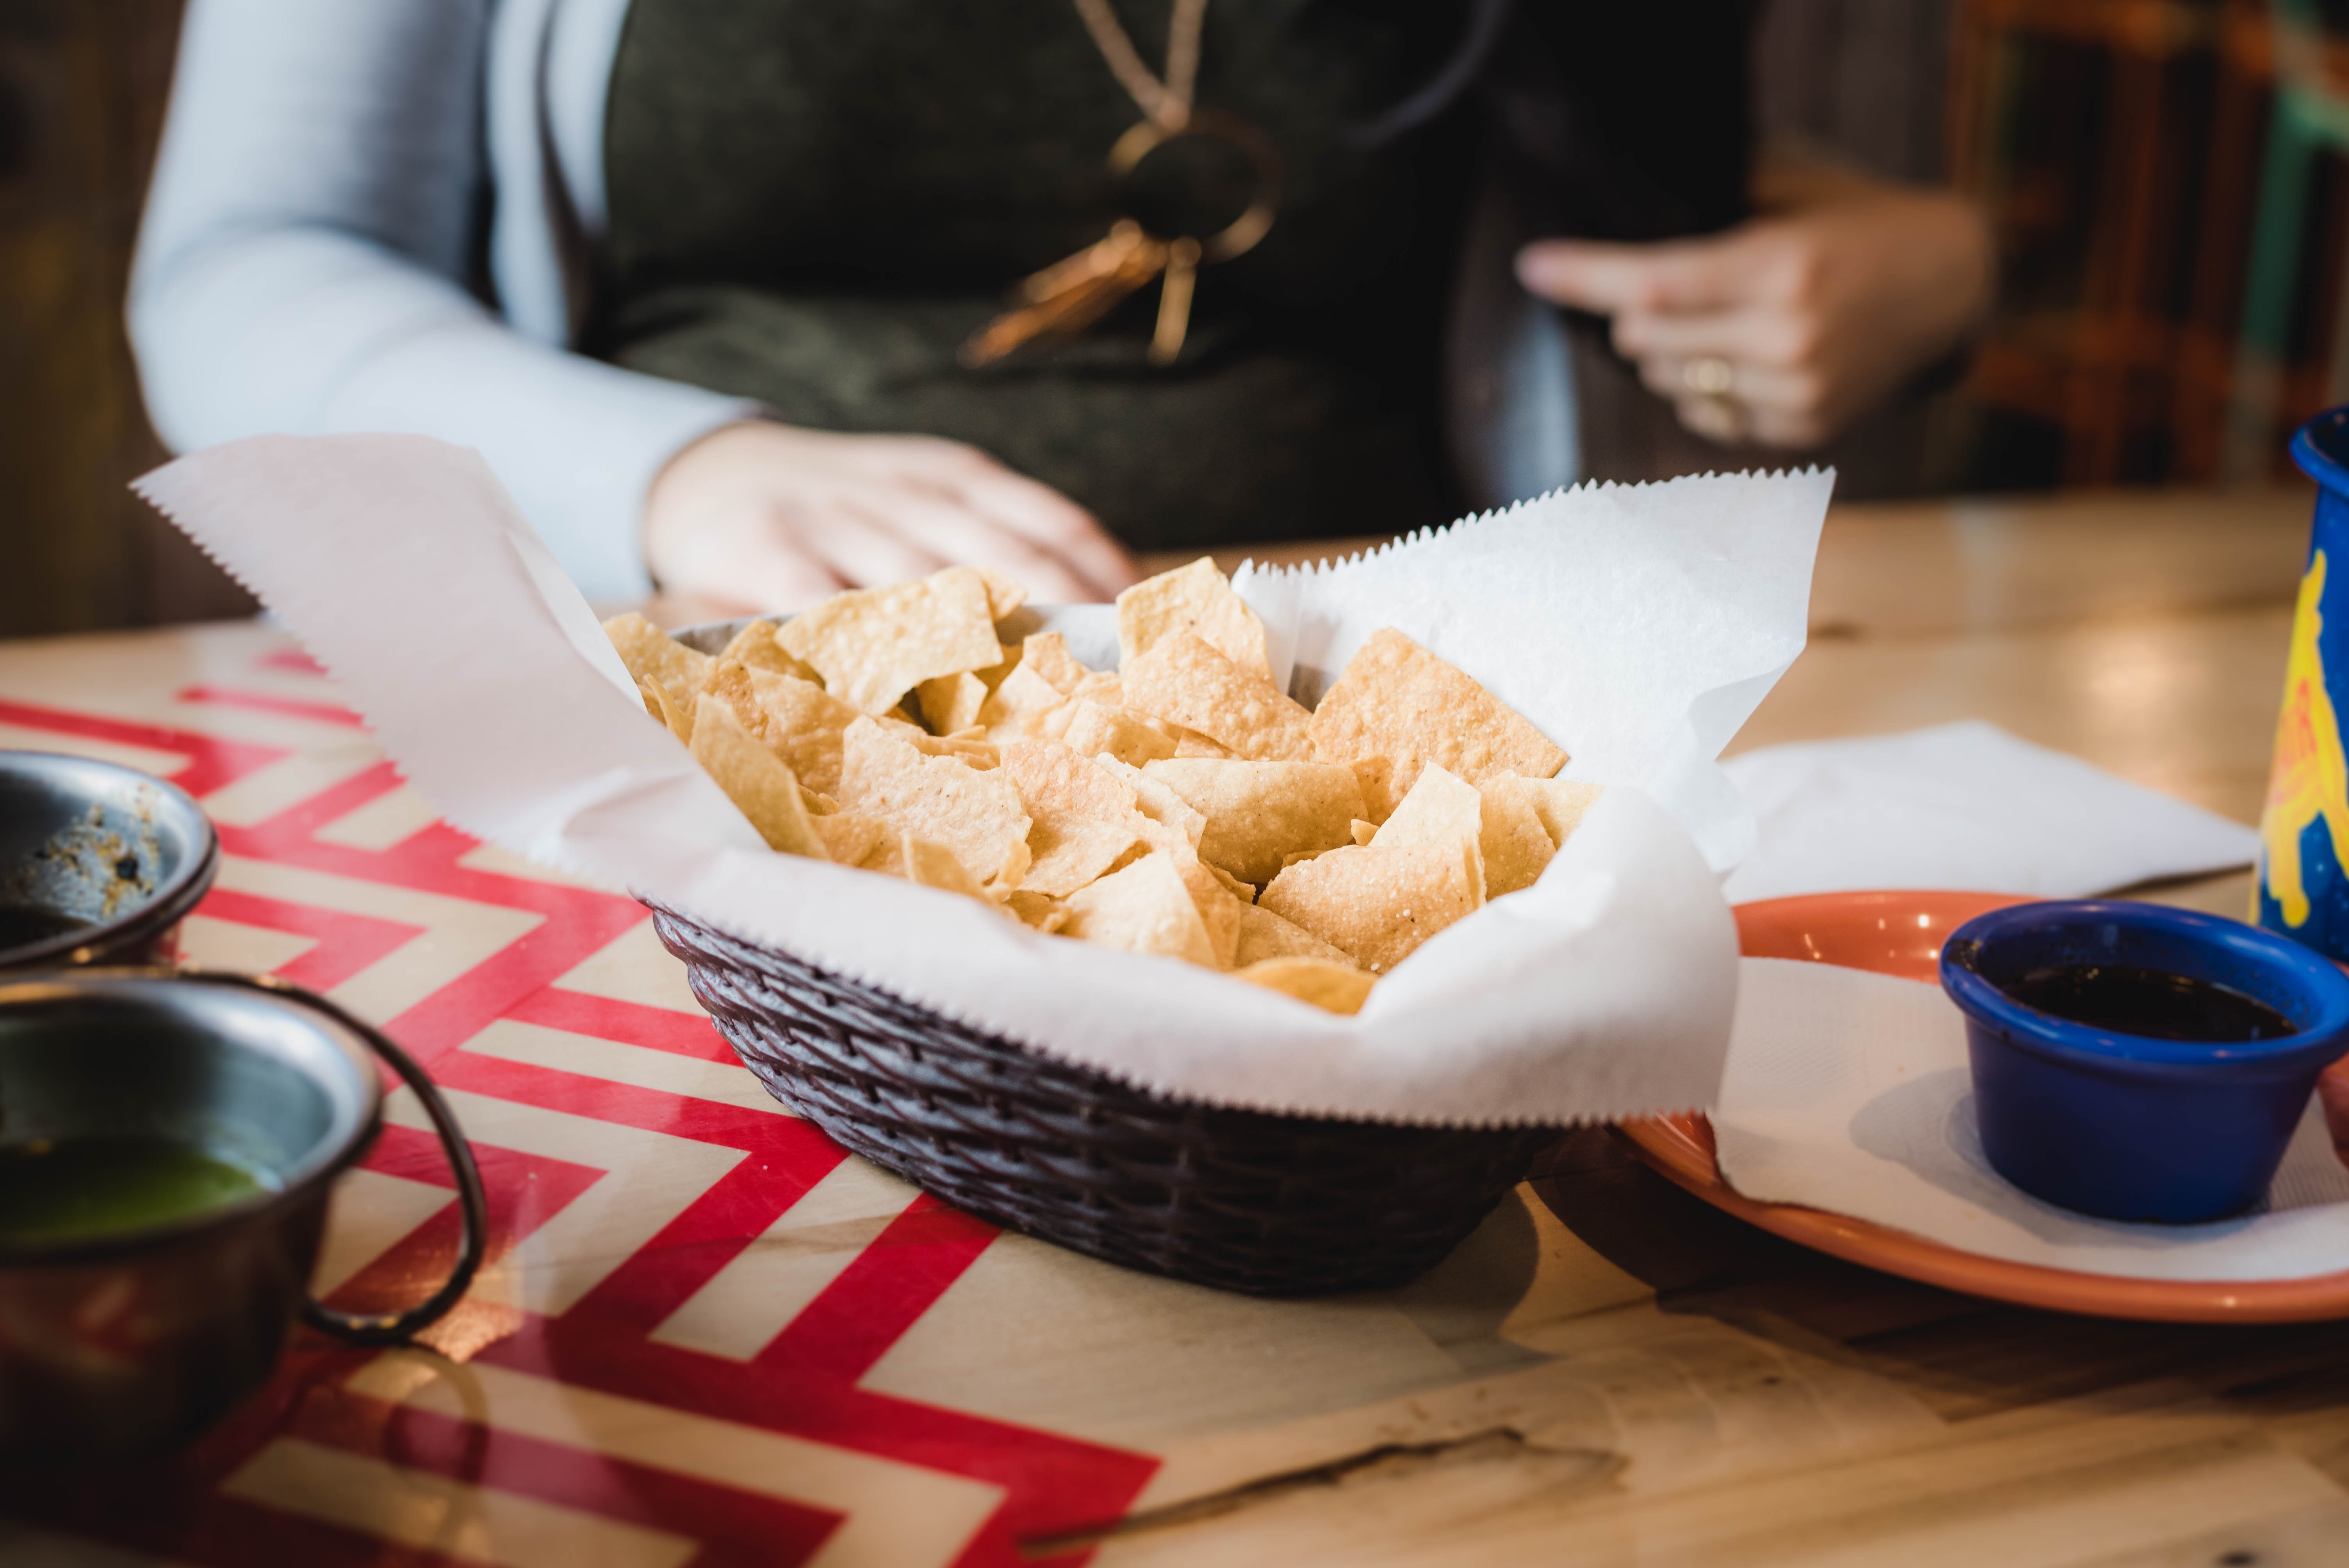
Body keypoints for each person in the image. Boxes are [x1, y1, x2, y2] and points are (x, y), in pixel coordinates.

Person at [130, 1, 1991, 613]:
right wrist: (677, 477)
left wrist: (1942, 261)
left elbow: (1625, 175)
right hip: (669, 686)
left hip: (1392, 701)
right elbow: (246, 264)